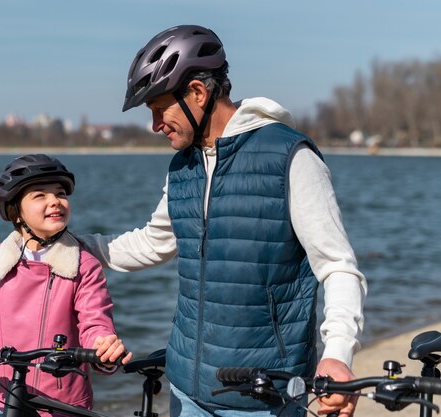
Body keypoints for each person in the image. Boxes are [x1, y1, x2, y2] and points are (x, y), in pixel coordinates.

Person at [77, 25, 367, 417]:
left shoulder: (289, 158)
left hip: (263, 395)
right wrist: (72, 245)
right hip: (185, 387)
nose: (156, 125)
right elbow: (153, 243)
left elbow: (338, 268)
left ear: (198, 92)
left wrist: (337, 354)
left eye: (160, 109)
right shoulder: (183, 166)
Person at [0, 154, 132, 417]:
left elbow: (94, 320)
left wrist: (102, 346)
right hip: (6, 395)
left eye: (61, 193)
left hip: (63, 403)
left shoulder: (83, 265)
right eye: (40, 195)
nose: (55, 201)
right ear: (15, 210)